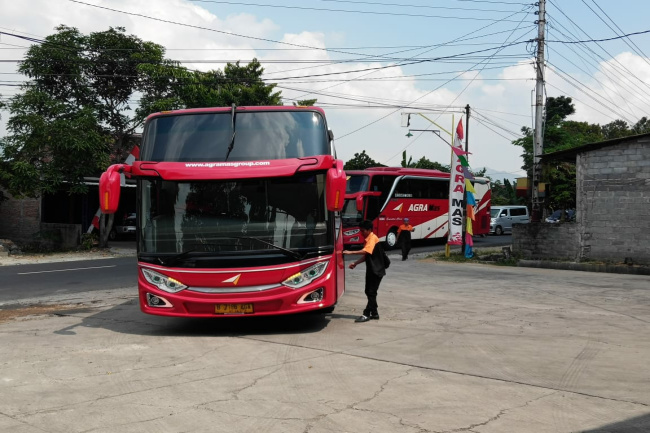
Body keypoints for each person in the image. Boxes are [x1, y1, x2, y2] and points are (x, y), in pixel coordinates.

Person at [342, 220, 386, 323]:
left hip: (376, 270)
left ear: (369, 230)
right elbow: (367, 256)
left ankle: (366, 314)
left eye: (363, 231)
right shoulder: (368, 239)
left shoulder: (372, 238)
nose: (361, 233)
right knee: (369, 291)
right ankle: (374, 313)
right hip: (373, 269)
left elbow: (365, 251)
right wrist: (356, 263)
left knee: (371, 292)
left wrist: (350, 252)